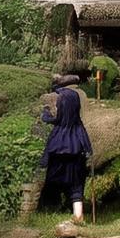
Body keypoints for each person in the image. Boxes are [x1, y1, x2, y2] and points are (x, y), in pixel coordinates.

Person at [39, 73, 93, 223]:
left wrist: (46, 115)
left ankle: (47, 209)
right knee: (76, 183)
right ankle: (78, 215)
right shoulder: (75, 99)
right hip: (76, 147)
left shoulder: (63, 98)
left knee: (51, 180)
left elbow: (58, 119)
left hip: (59, 147)